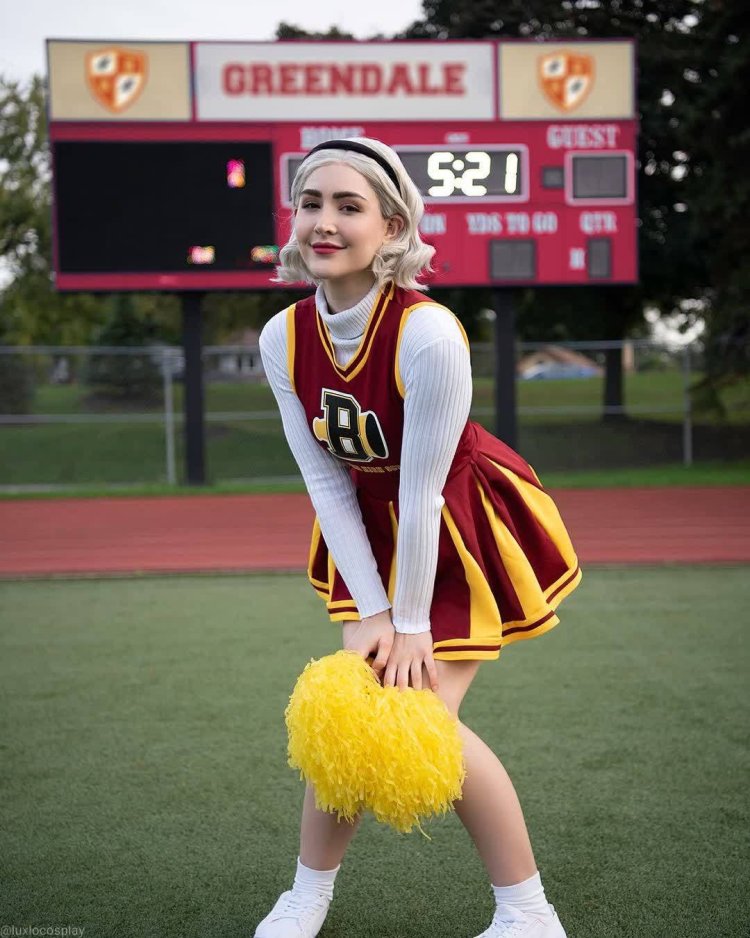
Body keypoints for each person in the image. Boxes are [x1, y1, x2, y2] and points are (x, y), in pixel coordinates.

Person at [256, 137, 581, 938]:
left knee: (422, 713)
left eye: (348, 206)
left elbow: (423, 490)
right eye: (310, 204)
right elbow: (328, 481)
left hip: (457, 526)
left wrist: (406, 625)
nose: (323, 222)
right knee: (352, 711)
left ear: (394, 227)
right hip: (368, 532)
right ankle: (309, 896)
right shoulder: (281, 337)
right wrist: (370, 611)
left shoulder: (428, 333)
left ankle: (528, 912)